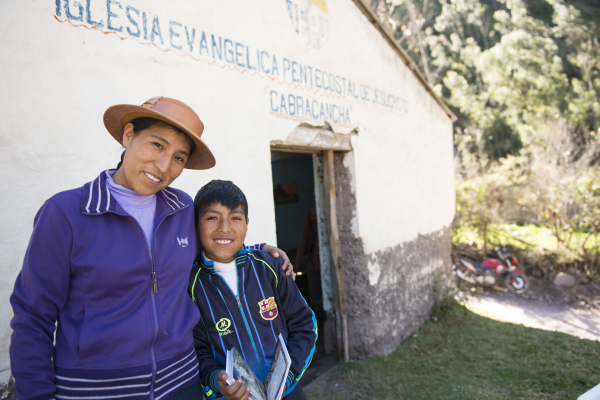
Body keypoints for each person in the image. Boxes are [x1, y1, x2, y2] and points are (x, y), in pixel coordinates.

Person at [9, 96, 294, 399]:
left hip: (183, 383)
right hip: (94, 390)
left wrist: (259, 248)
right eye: (157, 145)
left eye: (179, 158)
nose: (163, 166)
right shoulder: (66, 214)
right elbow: (32, 319)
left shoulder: (182, 208)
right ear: (128, 135)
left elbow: (213, 245)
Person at [189, 180, 317, 400]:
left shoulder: (271, 267)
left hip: (288, 394)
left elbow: (304, 324)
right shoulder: (191, 287)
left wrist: (287, 377)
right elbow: (197, 351)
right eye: (212, 217)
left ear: (247, 224)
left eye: (235, 218)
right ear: (196, 224)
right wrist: (216, 379)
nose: (224, 227)